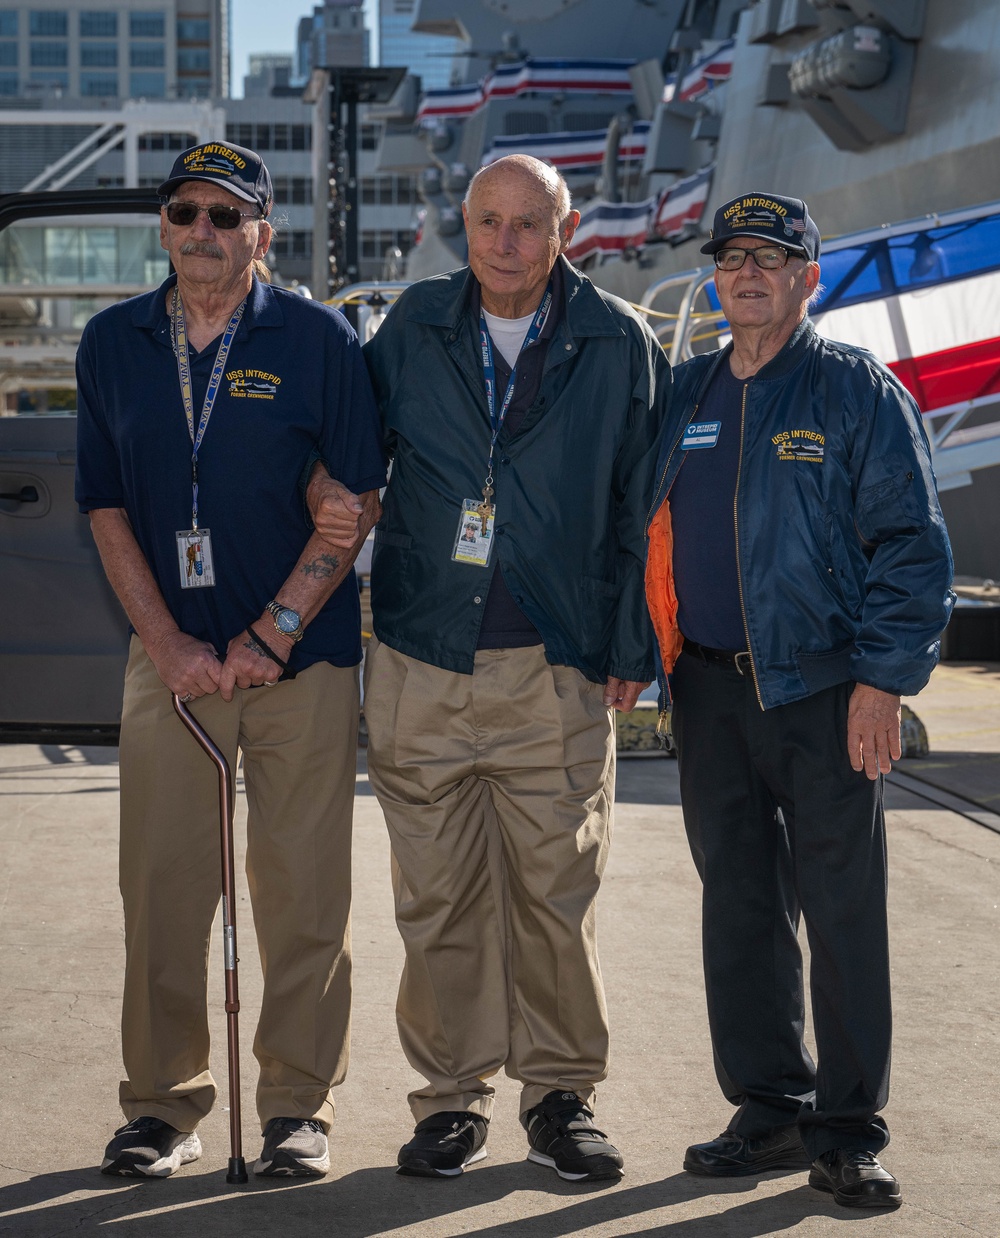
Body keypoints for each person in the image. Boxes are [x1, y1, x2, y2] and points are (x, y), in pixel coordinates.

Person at [310, 153, 670, 1182]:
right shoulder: (410, 329)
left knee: (556, 895)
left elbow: (642, 508)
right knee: (437, 897)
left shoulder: (616, 341)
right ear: (461, 225)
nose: (504, 242)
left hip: (552, 665)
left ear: (565, 234)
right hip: (422, 656)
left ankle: (560, 1093)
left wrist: (631, 646)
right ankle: (452, 1098)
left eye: (526, 224)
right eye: (486, 220)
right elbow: (346, 464)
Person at [75, 141, 385, 1179]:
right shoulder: (113, 342)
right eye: (183, 212)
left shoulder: (319, 338)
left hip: (299, 665)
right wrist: (165, 643)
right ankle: (161, 1104)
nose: (200, 232)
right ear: (162, 224)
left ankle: (299, 1105)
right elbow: (104, 506)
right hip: (172, 664)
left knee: (303, 896)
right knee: (162, 889)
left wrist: (272, 634)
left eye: (224, 214)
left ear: (261, 231)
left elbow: (354, 505)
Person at [645, 191, 954, 1209]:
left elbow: (912, 545)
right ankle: (770, 1105)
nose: (746, 274)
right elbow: (639, 535)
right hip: (708, 689)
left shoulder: (850, 389)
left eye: (770, 259)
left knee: (841, 910)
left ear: (806, 278)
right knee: (737, 905)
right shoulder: (685, 391)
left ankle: (848, 1124)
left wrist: (882, 680)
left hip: (822, 689)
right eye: (731, 258)